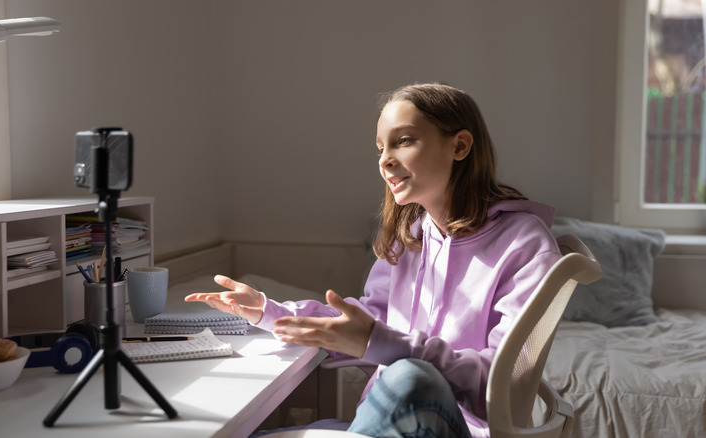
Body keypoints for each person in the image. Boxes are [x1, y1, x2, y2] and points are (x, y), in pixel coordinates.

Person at [185, 83, 562, 438]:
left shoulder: (523, 241)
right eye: (380, 148)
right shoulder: (410, 238)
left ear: (460, 146)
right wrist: (269, 311)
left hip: (461, 426)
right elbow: (365, 320)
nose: (385, 160)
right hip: (383, 423)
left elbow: (503, 379)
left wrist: (387, 346)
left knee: (410, 377)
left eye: (404, 141)